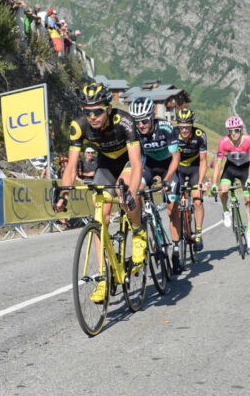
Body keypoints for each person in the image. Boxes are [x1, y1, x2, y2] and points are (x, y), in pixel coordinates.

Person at [54, 83, 146, 303]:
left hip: (128, 160)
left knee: (123, 192)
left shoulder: (124, 121)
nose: (92, 116)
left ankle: (138, 232)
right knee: (99, 217)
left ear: (108, 109)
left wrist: (132, 193)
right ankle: (104, 277)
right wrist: (64, 195)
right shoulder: (78, 126)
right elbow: (71, 167)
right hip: (106, 164)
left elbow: (136, 164)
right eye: (88, 112)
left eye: (97, 111)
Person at [129, 97, 183, 274]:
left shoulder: (165, 128)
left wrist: (166, 180)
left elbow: (176, 158)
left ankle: (176, 251)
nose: (141, 125)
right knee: (136, 192)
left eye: (144, 121)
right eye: (137, 122)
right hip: (149, 166)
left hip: (168, 166)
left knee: (172, 209)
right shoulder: (134, 132)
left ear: (152, 116)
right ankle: (143, 231)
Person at [210, 116, 250, 251]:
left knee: (248, 200)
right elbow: (219, 164)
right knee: (223, 190)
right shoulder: (224, 142)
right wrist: (214, 183)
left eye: (236, 130)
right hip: (230, 168)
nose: (234, 133)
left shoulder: (249, 140)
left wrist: (249, 179)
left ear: (241, 130)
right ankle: (226, 211)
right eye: (231, 131)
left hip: (245, 169)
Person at [173, 108, 208, 253]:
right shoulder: (173, 134)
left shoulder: (200, 135)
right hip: (179, 167)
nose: (184, 130)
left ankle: (198, 234)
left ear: (192, 125)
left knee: (197, 200)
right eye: (181, 126)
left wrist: (200, 182)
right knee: (175, 201)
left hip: (194, 167)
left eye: (187, 126)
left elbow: (203, 161)